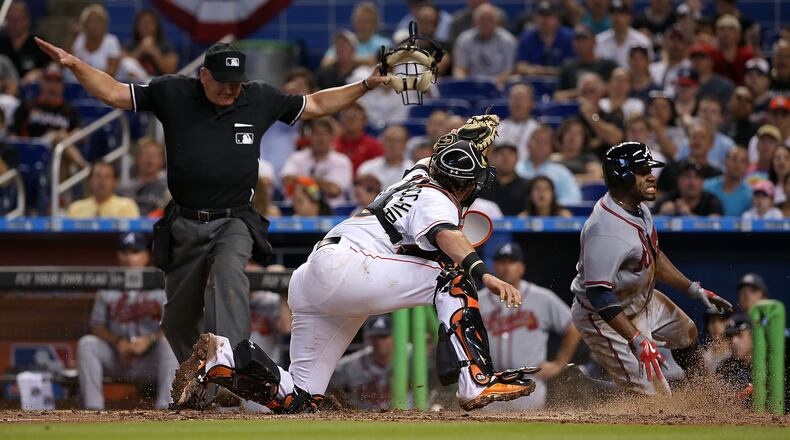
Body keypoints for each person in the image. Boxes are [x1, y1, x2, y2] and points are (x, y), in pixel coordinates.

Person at [35, 34, 389, 372]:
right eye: (222, 80)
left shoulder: (258, 98)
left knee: (228, 275)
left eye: (236, 82)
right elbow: (113, 93)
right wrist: (74, 65)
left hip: (234, 219)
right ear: (203, 75)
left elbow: (316, 104)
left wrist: (366, 85)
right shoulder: (173, 91)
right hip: (185, 222)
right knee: (176, 321)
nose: (229, 89)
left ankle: (232, 369)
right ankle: (202, 380)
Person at [171, 136, 535, 413]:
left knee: (301, 399)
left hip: (316, 276)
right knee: (452, 278)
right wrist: (483, 274)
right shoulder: (438, 198)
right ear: (463, 185)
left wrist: (466, 139)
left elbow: (440, 154)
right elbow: (447, 235)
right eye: (473, 182)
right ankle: (476, 380)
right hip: (352, 268)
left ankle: (225, 358)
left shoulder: (421, 170)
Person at [570, 141, 733, 395]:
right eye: (643, 170)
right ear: (622, 176)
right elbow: (599, 294)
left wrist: (692, 288)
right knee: (655, 398)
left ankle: (704, 398)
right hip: (605, 318)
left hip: (639, 300)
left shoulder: (639, 208)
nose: (651, 176)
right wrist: (636, 339)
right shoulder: (604, 230)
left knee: (687, 333)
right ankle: (586, 388)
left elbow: (652, 256)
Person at [77, 232, 179, 410]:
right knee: (87, 344)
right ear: (118, 255)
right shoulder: (108, 285)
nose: (129, 258)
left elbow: (174, 324)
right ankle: (93, 410)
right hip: (118, 357)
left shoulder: (160, 283)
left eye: (135, 252)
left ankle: (165, 409)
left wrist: (150, 339)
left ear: (146, 256)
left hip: (151, 359)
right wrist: (118, 342)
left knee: (169, 344)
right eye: (124, 252)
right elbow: (96, 326)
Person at [479, 243, 581, 409]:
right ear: (494, 266)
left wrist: (558, 363)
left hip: (528, 384)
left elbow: (573, 326)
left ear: (521, 267)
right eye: (502, 262)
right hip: (490, 384)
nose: (506, 267)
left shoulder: (541, 297)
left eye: (511, 262)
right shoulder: (479, 300)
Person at [11, 65, 86, 172]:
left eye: (57, 81)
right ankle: (85, 169)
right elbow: (13, 135)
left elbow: (81, 134)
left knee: (60, 145)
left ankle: (81, 169)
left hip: (58, 152)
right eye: (48, 80)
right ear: (41, 82)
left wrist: (62, 136)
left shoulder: (70, 111)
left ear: (62, 85)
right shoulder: (27, 106)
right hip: (33, 150)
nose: (52, 85)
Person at [281, 118, 354, 207]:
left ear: (332, 137)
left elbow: (334, 190)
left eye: (324, 134)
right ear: (310, 136)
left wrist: (303, 181)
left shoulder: (342, 161)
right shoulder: (297, 157)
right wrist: (319, 183)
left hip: (332, 212)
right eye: (316, 133)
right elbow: (286, 180)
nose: (320, 138)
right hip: (297, 209)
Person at [328, 314, 394, 410]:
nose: (379, 342)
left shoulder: (412, 357)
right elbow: (329, 384)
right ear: (370, 338)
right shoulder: (352, 363)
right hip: (366, 419)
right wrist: (344, 405)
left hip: (407, 416)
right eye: (375, 337)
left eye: (384, 337)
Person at [516, 125, 582, 205]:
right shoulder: (516, 169)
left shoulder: (561, 172)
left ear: (551, 148)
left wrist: (549, 206)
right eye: (537, 141)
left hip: (553, 215)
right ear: (528, 144)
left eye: (545, 142)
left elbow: (574, 198)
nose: (540, 145)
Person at [452, 3, 516, 83]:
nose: (486, 23)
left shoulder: (508, 40)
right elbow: (460, 68)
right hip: (472, 84)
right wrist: (464, 83)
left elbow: (510, 70)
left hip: (500, 84)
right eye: (482, 19)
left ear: (497, 22)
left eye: (490, 20)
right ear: (475, 22)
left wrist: (493, 85)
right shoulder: (464, 39)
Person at [555, 24, 618, 101]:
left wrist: (600, 89)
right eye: (577, 40)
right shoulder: (568, 66)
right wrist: (583, 91)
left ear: (594, 41)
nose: (580, 44)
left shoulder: (608, 65)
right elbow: (558, 96)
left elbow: (620, 88)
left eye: (584, 39)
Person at [658, 122, 723, 195]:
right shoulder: (671, 168)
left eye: (702, 137)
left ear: (711, 143)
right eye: (694, 137)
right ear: (688, 140)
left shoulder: (717, 176)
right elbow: (659, 195)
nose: (697, 142)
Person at [515, 1, 574, 77]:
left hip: (563, 82)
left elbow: (573, 67)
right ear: (535, 18)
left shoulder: (569, 37)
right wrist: (531, 70)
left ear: (558, 19)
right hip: (534, 81)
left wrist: (548, 71)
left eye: (548, 16)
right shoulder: (527, 37)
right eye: (541, 16)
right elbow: (520, 66)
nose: (544, 20)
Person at [321, 2, 390, 67]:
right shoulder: (345, 41)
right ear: (354, 22)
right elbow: (325, 63)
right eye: (360, 20)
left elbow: (384, 64)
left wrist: (345, 59)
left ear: (375, 24)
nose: (363, 25)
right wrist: (365, 61)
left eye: (367, 21)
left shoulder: (384, 44)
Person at [676, 97, 736, 170]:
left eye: (713, 112)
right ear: (698, 114)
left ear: (720, 118)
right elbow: (677, 167)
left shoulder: (728, 145)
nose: (708, 115)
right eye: (704, 111)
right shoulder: (687, 142)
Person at [67, 162, 140, 218]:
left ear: (115, 182)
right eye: (98, 176)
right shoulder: (76, 208)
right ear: (89, 181)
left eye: (107, 177)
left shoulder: (127, 206)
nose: (102, 181)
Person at [119, 137, 170, 216]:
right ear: (136, 158)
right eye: (145, 155)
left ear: (162, 160)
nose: (149, 160)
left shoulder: (169, 190)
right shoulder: (124, 190)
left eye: (153, 155)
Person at [594, 0, 652, 69]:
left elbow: (647, 69)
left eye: (621, 13)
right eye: (613, 13)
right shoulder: (599, 41)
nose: (616, 17)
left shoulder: (642, 41)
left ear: (629, 17)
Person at [655, 160, 725, 217]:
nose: (692, 182)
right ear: (679, 180)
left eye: (697, 177)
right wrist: (661, 215)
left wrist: (689, 215)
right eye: (687, 176)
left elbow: (715, 225)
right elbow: (648, 223)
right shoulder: (668, 199)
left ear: (702, 182)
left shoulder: (711, 201)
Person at [122, 10, 178, 79]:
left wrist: (154, 52)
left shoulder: (166, 45)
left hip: (159, 82)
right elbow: (123, 66)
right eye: (142, 24)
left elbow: (171, 70)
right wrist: (141, 49)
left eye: (149, 23)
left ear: (156, 26)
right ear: (137, 26)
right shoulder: (129, 44)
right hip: (135, 83)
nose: (146, 27)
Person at [0, 2, 49, 80]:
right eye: (10, 20)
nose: (13, 24)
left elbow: (51, 66)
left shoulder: (38, 42)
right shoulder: (2, 42)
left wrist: (38, 72)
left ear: (27, 20)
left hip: (31, 88)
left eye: (17, 20)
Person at [70, 4, 122, 78]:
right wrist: (71, 37)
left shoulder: (111, 41)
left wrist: (90, 77)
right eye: (90, 21)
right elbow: (66, 65)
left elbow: (112, 71)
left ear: (104, 24)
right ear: (84, 24)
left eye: (98, 21)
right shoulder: (79, 39)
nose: (94, 25)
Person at [479, 143, 529, 216]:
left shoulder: (527, 186)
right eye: (501, 154)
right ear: (493, 158)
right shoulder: (482, 185)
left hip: (518, 226)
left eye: (510, 154)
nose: (505, 158)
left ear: (517, 159)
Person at [334, 102, 384, 174]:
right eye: (347, 113)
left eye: (357, 114)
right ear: (340, 118)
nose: (351, 117)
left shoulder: (374, 146)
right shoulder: (332, 144)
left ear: (365, 120)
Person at [715, 313, 754, 405]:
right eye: (730, 337)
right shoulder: (724, 367)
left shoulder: (768, 365)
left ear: (753, 337)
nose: (734, 341)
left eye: (739, 335)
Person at [703, 147, 752, 217]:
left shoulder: (750, 194)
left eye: (743, 161)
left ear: (747, 166)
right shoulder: (705, 187)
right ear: (725, 161)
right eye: (734, 159)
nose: (738, 165)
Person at [551, 118, 603, 183]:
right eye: (568, 132)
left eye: (577, 133)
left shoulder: (588, 158)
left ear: (584, 139)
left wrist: (567, 180)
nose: (572, 137)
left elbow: (597, 176)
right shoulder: (551, 158)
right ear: (561, 136)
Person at [497, 84, 539, 162]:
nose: (517, 102)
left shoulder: (537, 130)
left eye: (522, 98)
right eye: (514, 98)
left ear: (531, 103)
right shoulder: (497, 128)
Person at [687, 43, 734, 110]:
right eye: (694, 57)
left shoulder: (724, 86)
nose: (697, 60)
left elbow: (727, 112)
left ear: (711, 60)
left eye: (702, 57)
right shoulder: (685, 81)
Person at [710, 14, 754, 86]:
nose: (726, 32)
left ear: (739, 35)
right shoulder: (711, 55)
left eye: (731, 28)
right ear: (716, 34)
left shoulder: (747, 53)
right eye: (722, 28)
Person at [649, 25, 690, 96]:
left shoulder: (689, 69)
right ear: (664, 43)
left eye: (680, 40)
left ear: (686, 45)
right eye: (672, 39)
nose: (675, 44)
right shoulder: (652, 68)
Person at [701, 309, 732, 373]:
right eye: (712, 321)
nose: (716, 326)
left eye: (721, 320)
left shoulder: (737, 352)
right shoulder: (703, 355)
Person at [743, 58, 772, 124]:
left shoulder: (774, 104)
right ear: (744, 78)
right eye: (750, 74)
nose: (754, 79)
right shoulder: (740, 102)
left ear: (768, 80)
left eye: (759, 75)